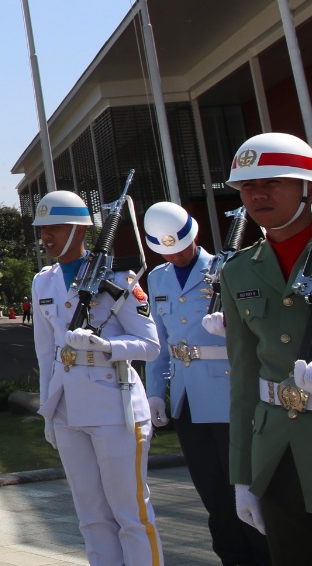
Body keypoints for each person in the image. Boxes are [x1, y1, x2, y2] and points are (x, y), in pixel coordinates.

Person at [31, 189, 163, 566]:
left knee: (131, 516)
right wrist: (48, 411)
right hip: (67, 409)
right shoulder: (44, 282)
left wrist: (108, 345)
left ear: (79, 229)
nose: (47, 236)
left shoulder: (120, 278)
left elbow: (150, 344)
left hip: (115, 406)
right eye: (43, 228)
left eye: (55, 227)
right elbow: (45, 354)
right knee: (91, 517)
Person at [143, 201, 270, 566]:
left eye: (180, 246)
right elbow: (161, 341)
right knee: (213, 496)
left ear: (193, 236)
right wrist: (155, 391)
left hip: (230, 394)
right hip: (187, 398)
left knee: (244, 492)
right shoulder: (158, 278)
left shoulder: (228, 267)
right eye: (168, 250)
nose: (177, 255)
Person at [215, 132, 312, 564]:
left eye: (272, 181)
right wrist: (241, 475)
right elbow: (243, 378)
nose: (258, 194)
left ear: (305, 187)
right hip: (277, 453)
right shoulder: (238, 272)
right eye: (248, 186)